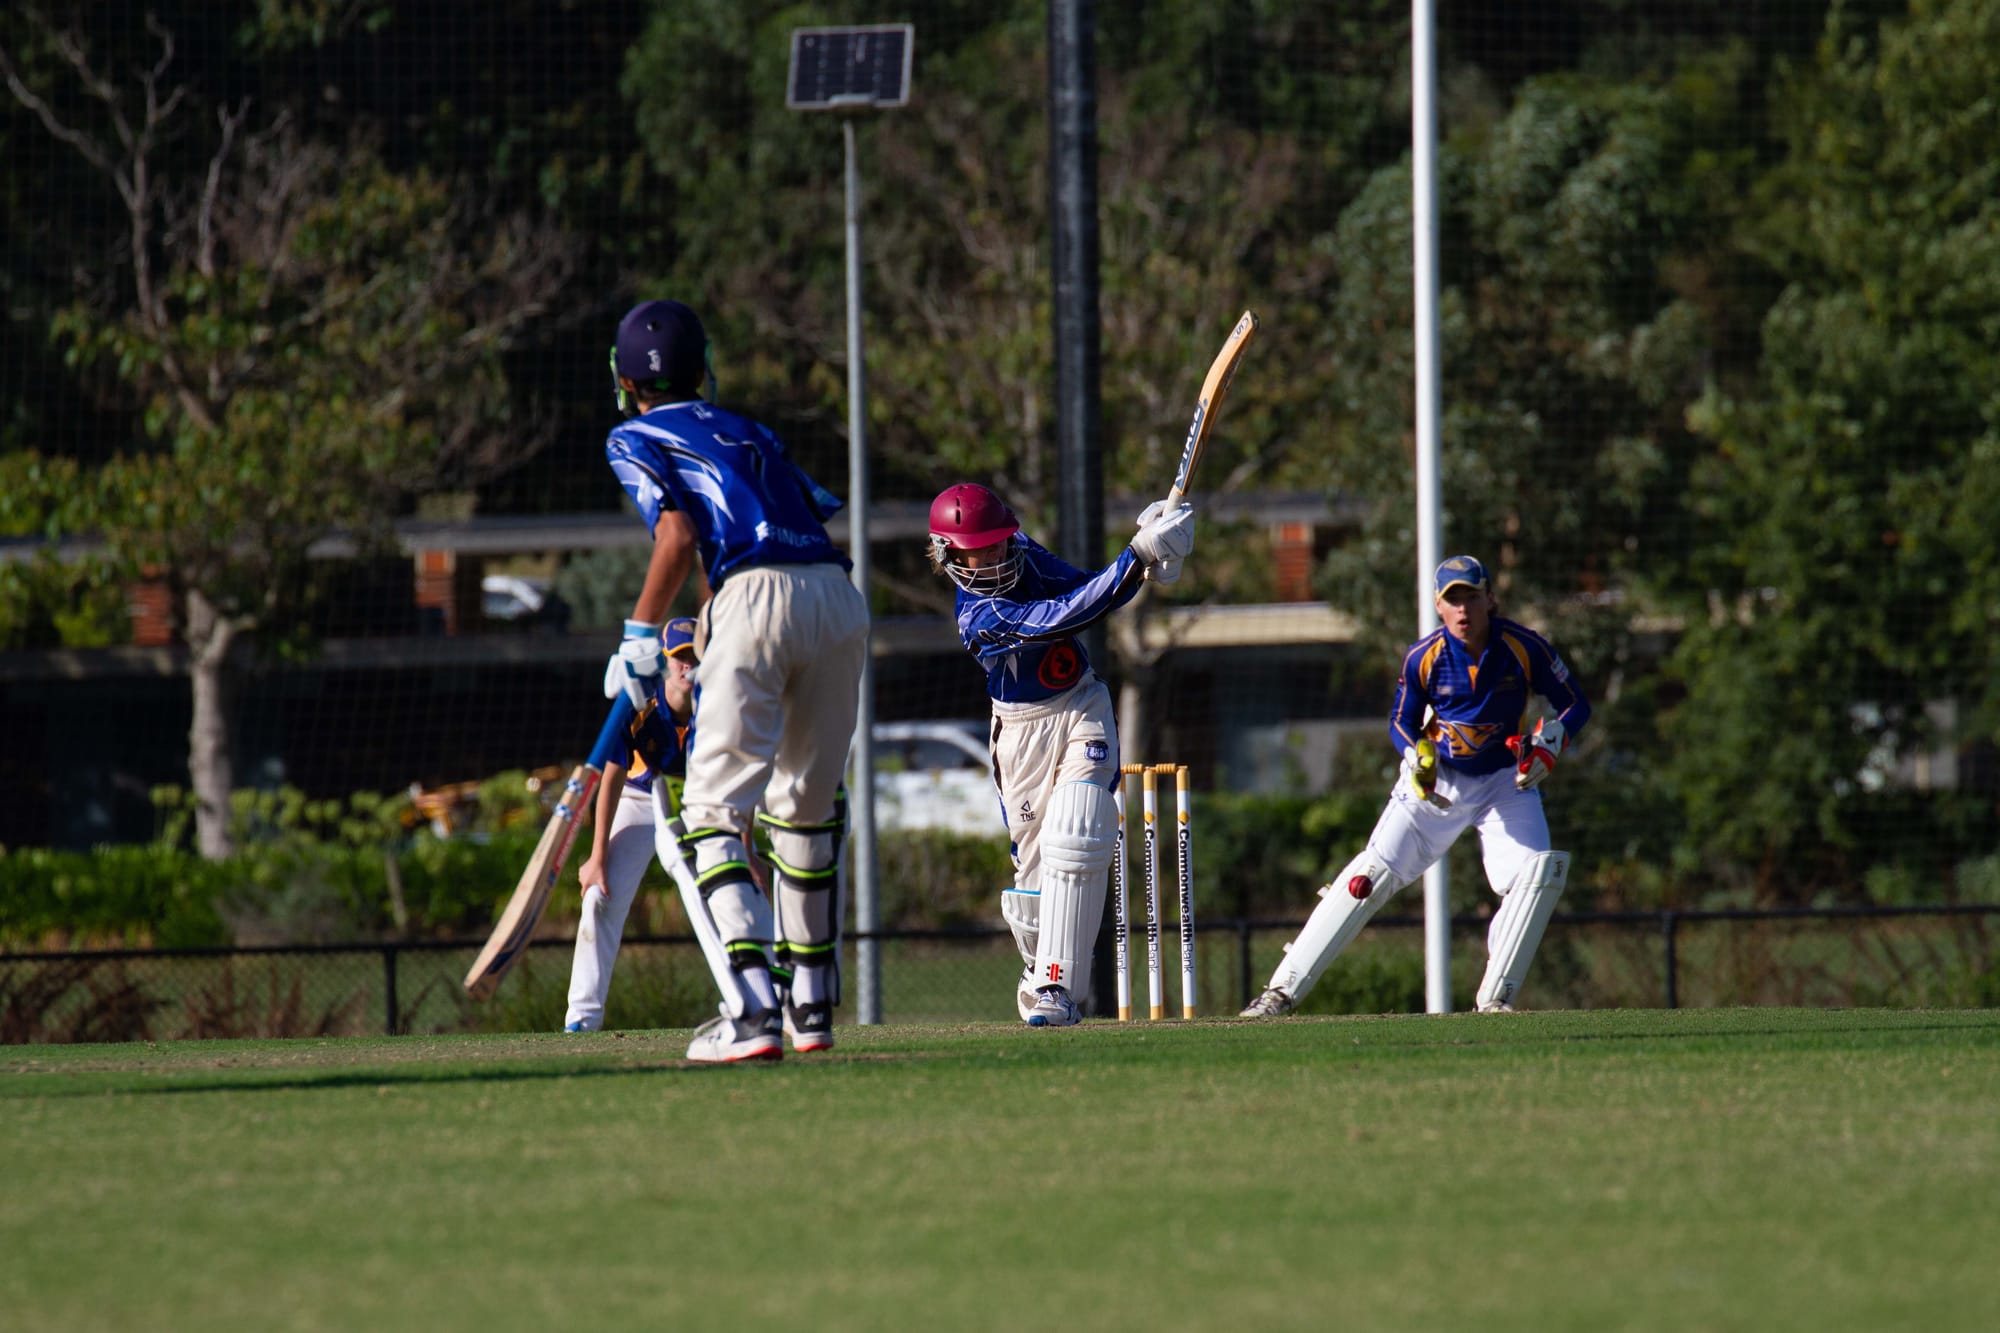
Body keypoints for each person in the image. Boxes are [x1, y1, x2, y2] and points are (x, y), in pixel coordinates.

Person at [603, 299, 868, 1062]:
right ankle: (811, 1009)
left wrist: (642, 637)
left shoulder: (635, 434)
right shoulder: (752, 430)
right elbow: (807, 514)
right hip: (835, 593)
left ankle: (751, 1008)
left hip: (751, 594)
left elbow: (680, 534)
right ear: (702, 366)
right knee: (808, 808)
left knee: (711, 809)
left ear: (626, 381)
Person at [1241, 555, 1592, 1017]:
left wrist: (1554, 741)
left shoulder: (1525, 648)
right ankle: (1279, 994)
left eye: (1471, 597)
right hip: (1436, 785)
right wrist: (1416, 755)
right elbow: (1401, 723)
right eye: (1453, 600)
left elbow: (1575, 705)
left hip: (1506, 781)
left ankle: (1494, 1003)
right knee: (1368, 878)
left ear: (1490, 598)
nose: (1463, 610)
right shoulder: (1423, 657)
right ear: (1438, 606)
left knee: (1538, 875)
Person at [926, 481, 1196, 1027]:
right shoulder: (977, 616)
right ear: (950, 554)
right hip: (1021, 734)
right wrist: (1135, 557)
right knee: (1037, 869)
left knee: (1080, 823)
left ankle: (1058, 987)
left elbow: (1088, 592)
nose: (998, 554)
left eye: (1001, 540)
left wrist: (1150, 561)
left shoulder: (1025, 557)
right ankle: (1038, 977)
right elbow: (1058, 617)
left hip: (1080, 702)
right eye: (983, 547)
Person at [564, 618, 705, 1035]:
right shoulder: (639, 702)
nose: (687, 666)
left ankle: (756, 1006)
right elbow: (610, 778)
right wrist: (597, 857)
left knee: (720, 893)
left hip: (693, 804)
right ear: (664, 662)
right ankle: (582, 1020)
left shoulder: (718, 705)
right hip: (638, 799)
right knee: (599, 897)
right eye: (679, 657)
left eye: (694, 656)